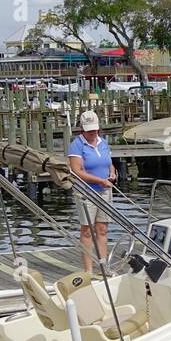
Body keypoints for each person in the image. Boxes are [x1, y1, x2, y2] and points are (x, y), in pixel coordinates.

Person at [67, 110, 116, 272]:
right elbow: (76, 171)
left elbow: (109, 162)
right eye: (89, 130)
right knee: (87, 230)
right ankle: (88, 269)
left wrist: (112, 173)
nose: (92, 132)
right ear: (82, 129)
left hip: (105, 190)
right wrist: (100, 181)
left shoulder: (103, 142)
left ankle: (103, 265)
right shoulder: (77, 145)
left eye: (94, 129)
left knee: (102, 229)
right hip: (86, 192)